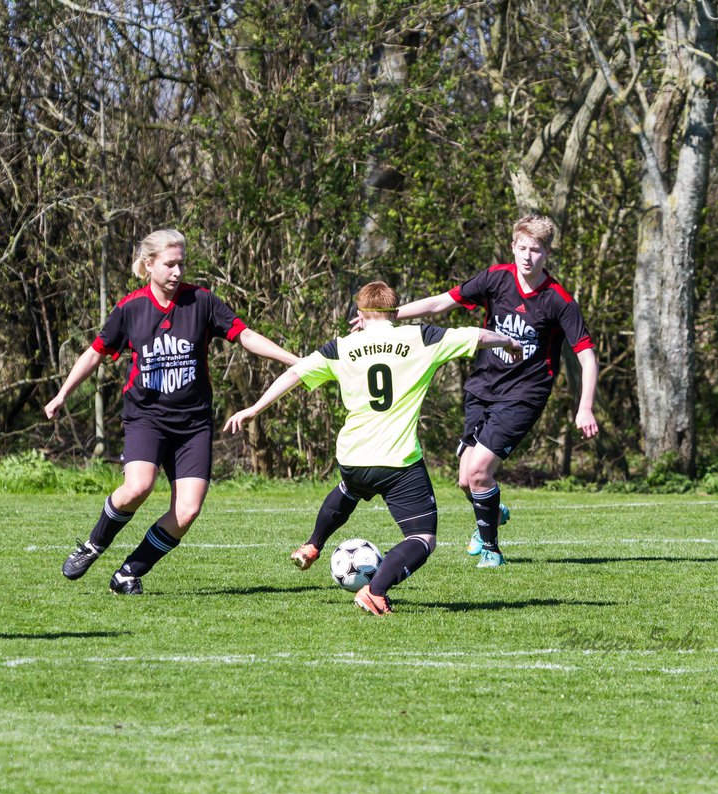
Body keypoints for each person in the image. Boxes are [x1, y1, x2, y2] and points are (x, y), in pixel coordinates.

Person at [224, 281, 523, 615]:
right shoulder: (421, 337)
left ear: (360, 315)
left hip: (353, 457)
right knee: (422, 538)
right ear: (395, 313)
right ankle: (375, 591)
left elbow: (293, 374)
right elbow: (478, 335)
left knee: (350, 488)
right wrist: (509, 342)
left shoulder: (341, 347)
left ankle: (313, 544)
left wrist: (253, 409)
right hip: (397, 461)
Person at [45, 228, 297, 594]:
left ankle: (128, 572)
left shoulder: (202, 301)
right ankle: (93, 545)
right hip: (146, 418)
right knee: (137, 488)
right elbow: (96, 352)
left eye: (182, 263)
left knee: (188, 511)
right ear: (149, 265)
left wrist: (293, 360)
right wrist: (62, 394)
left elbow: (244, 335)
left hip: (193, 424)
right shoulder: (131, 308)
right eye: (170, 264)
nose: (178, 271)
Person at [380, 213, 599, 568]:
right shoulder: (496, 279)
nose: (528, 256)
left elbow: (587, 357)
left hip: (525, 394)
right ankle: (493, 512)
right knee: (466, 479)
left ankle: (491, 549)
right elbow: (439, 303)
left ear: (547, 254)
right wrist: (385, 316)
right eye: (523, 248)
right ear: (513, 246)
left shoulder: (558, 300)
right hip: (483, 387)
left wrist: (585, 406)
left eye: (537, 250)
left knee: (480, 471)